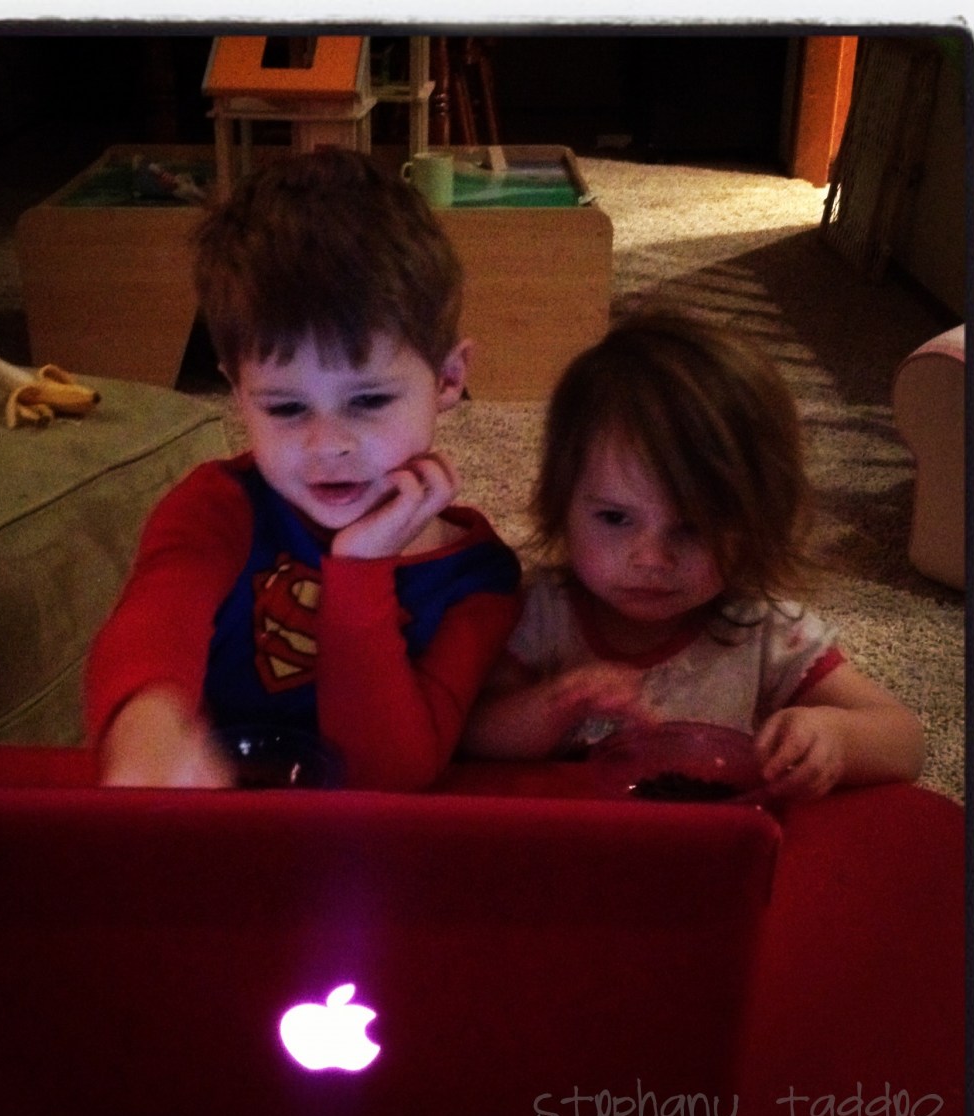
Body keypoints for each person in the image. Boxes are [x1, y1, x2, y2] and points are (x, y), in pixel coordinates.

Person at [86, 148, 520, 790]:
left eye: (369, 400)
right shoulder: (219, 506)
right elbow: (155, 618)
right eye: (286, 407)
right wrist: (148, 724)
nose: (328, 445)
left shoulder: (480, 578)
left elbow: (388, 778)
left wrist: (361, 571)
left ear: (449, 379)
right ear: (238, 393)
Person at [462, 306, 924, 802]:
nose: (651, 559)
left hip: (714, 840)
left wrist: (833, 735)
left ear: (756, 522)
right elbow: (469, 735)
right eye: (615, 518)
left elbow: (905, 741)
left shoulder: (764, 629)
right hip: (574, 836)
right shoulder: (540, 614)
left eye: (693, 528)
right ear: (561, 502)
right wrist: (556, 704)